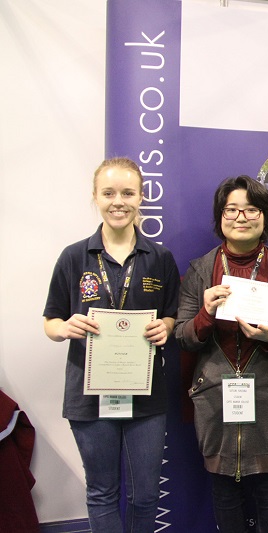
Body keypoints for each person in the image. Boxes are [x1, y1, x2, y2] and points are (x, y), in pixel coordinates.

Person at [43, 157, 180, 532]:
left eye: (127, 193)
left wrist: (166, 327)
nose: (118, 201)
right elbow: (50, 321)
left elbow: (172, 315)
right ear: (95, 197)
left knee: (145, 495)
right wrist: (65, 327)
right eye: (108, 193)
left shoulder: (160, 259)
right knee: (102, 493)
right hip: (89, 396)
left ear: (141, 197)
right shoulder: (74, 257)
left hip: (145, 393)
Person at [175, 176, 268, 533]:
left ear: (266, 217)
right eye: (231, 209)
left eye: (251, 209)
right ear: (220, 217)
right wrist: (205, 314)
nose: (241, 217)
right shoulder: (201, 270)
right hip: (215, 398)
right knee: (224, 492)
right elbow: (182, 336)